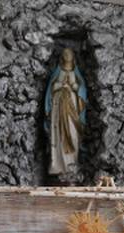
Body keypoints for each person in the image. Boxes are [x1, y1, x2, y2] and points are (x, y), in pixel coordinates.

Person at [45, 48, 87, 176]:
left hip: (72, 109)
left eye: (70, 53)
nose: (68, 55)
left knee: (73, 134)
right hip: (58, 108)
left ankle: (72, 164)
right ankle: (58, 166)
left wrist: (74, 86)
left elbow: (82, 93)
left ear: (73, 56)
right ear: (62, 56)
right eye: (65, 53)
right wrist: (60, 85)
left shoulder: (76, 74)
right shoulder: (57, 73)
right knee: (58, 135)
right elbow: (50, 90)